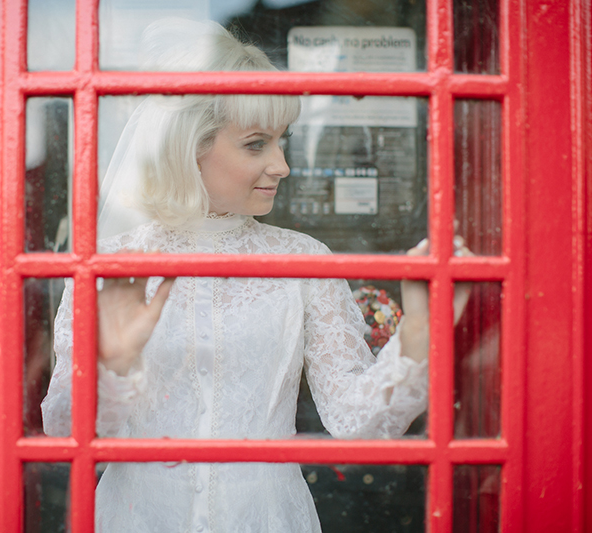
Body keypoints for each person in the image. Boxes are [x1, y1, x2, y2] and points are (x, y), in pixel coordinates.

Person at [41, 18, 471, 532]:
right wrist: (112, 361)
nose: (282, 165)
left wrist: (418, 336)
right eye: (255, 145)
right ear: (189, 146)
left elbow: (359, 423)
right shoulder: (108, 262)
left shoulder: (305, 261)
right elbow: (64, 434)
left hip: (267, 519)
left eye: (282, 141)